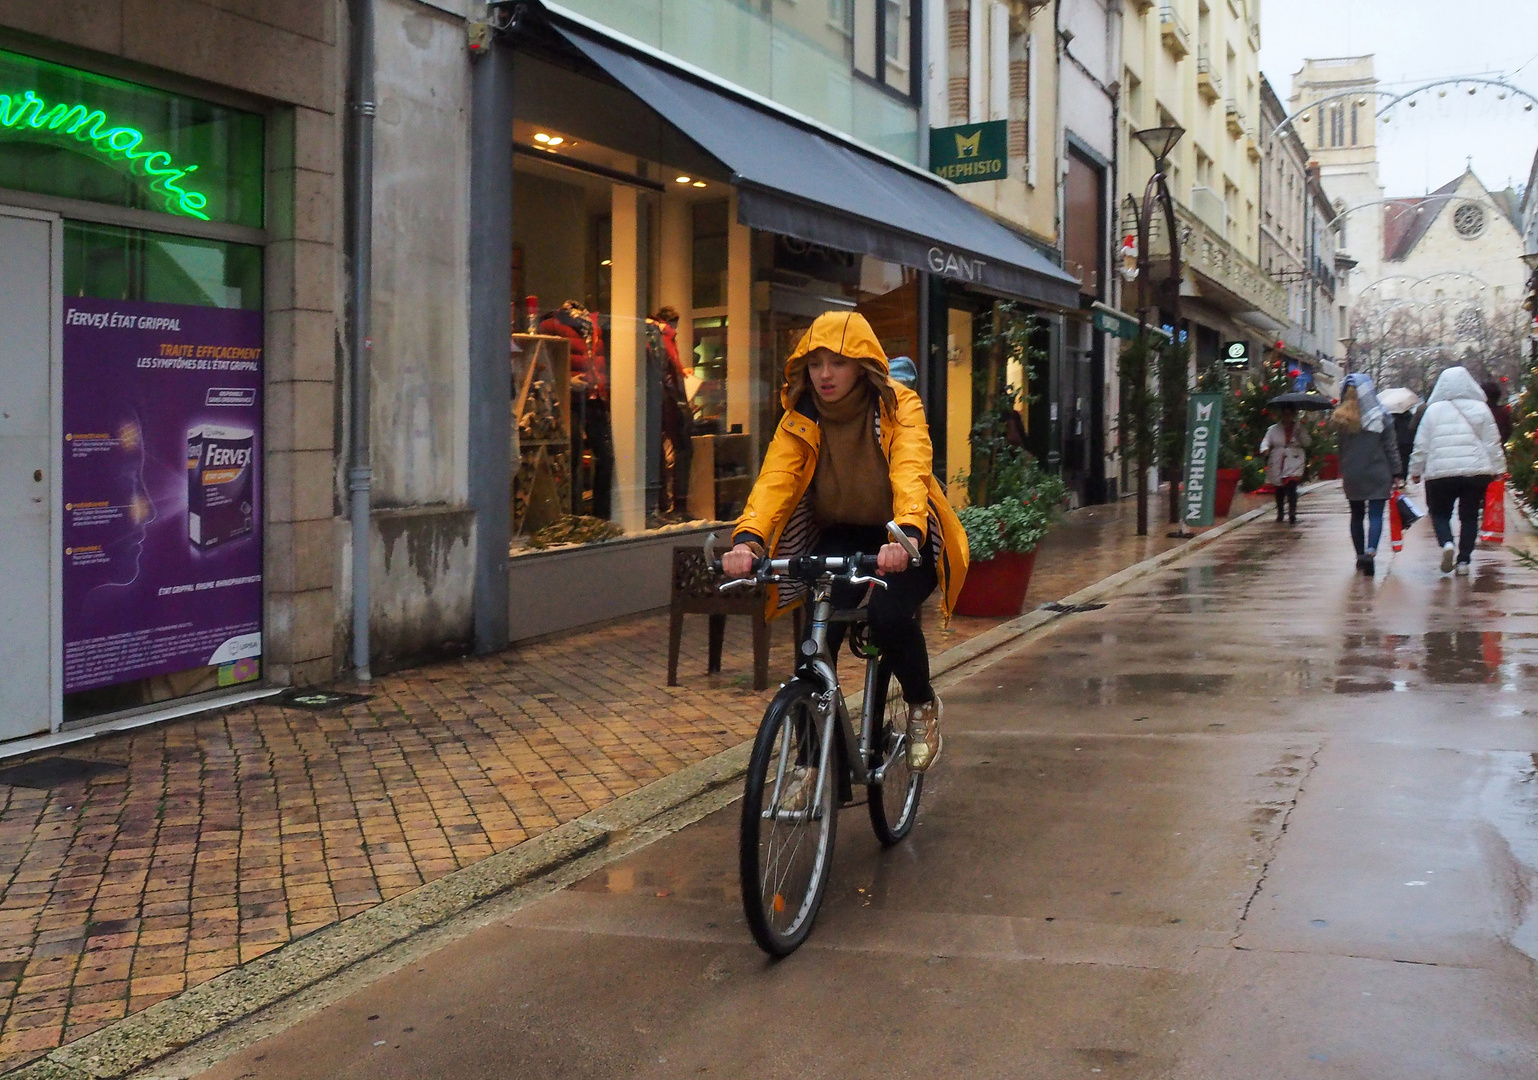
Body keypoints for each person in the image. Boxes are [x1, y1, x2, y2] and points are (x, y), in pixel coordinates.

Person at [721, 311, 969, 772]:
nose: (824, 375)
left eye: (837, 362)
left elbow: (911, 468)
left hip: (900, 533)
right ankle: (811, 765)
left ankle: (922, 705)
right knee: (815, 643)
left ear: (863, 365)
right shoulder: (802, 418)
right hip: (840, 533)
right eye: (815, 364)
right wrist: (748, 541)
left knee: (888, 615)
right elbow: (776, 478)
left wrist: (908, 532)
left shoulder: (898, 406)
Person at [1408, 366, 1507, 575]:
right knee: (1469, 517)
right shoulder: (1481, 409)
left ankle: (1447, 543)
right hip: (1476, 472)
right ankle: (1463, 561)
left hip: (1440, 474)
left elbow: (1421, 444)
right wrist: (1499, 469)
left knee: (1440, 513)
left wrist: (1415, 470)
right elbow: (1492, 442)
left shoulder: (1432, 410)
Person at [1330, 374, 1401, 576]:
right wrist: (1396, 472)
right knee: (1376, 515)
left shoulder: (1341, 419)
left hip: (1353, 474)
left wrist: (1343, 469)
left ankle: (1359, 556)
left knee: (1356, 515)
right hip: (1379, 472)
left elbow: (1341, 449)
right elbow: (1390, 447)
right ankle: (1371, 552)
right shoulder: (1381, 417)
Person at [1260, 405, 1310, 524]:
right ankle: (1280, 512)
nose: (1287, 417)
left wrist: (1300, 434)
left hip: (1294, 459)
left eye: (1289, 414)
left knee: (1292, 485)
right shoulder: (1273, 429)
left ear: (1293, 415)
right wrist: (1265, 449)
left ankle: (1292, 513)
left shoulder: (1299, 428)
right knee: (1279, 488)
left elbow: (1307, 442)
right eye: (1285, 414)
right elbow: (1266, 441)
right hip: (1278, 459)